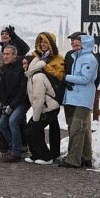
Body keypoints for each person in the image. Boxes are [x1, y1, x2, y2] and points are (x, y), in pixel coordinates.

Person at [24, 32, 64, 165]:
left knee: (48, 128)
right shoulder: (37, 57)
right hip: (43, 98)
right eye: (41, 42)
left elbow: (59, 76)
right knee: (37, 128)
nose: (43, 44)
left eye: (46, 42)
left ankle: (49, 155)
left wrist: (44, 67)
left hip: (52, 99)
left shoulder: (57, 59)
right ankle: (40, 154)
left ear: (51, 44)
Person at [59, 34, 98, 168]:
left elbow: (85, 79)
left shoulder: (89, 59)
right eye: (73, 45)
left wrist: (67, 78)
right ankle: (85, 157)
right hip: (75, 97)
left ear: (84, 45)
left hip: (83, 99)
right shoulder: (78, 57)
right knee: (81, 129)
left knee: (76, 128)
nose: (74, 48)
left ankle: (73, 160)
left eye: (77, 45)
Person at [0, 45, 30, 162]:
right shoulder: (5, 68)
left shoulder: (21, 68)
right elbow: (2, 89)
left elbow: (22, 91)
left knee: (13, 121)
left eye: (8, 54)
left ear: (14, 55)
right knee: (2, 124)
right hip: (9, 102)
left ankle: (16, 153)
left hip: (22, 102)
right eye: (4, 54)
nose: (5, 56)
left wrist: (12, 106)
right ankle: (15, 146)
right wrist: (5, 104)